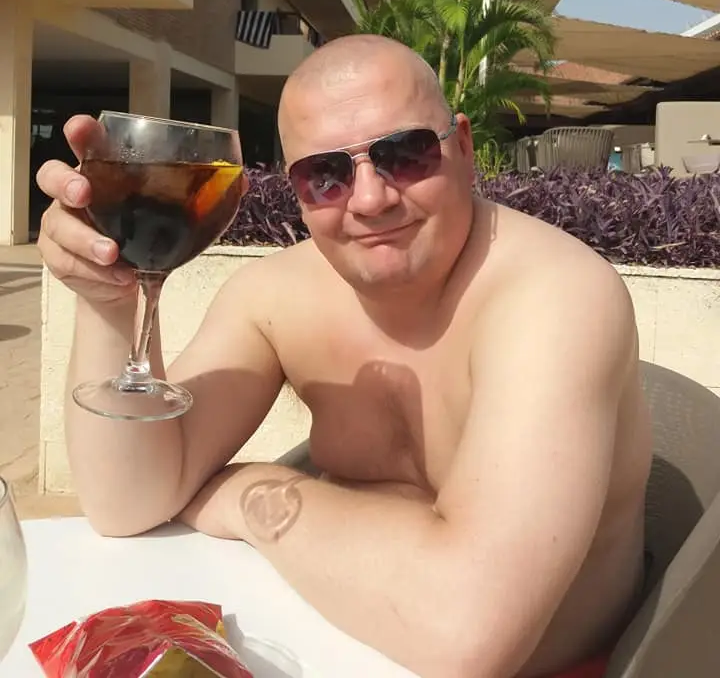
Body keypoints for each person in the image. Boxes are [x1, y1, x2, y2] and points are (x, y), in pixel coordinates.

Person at [36, 34, 653, 678]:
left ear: (464, 146)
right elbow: (127, 502)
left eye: (405, 154)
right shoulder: (275, 297)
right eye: (325, 174)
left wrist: (252, 493)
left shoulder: (553, 295)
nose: (369, 199)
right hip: (334, 645)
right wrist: (107, 297)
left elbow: (466, 632)